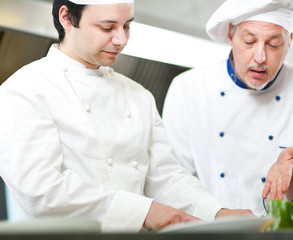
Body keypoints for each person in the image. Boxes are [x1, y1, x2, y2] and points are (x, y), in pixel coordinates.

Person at [0, 0, 255, 232]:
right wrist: (145, 211)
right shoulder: (25, 90)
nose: (121, 39)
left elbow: (165, 177)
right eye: (107, 27)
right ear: (66, 18)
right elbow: (41, 191)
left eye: (127, 26)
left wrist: (217, 213)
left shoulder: (138, 95)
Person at [162, 0, 293, 225]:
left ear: (290, 41)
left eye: (274, 44)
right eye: (249, 41)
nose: (260, 57)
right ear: (231, 34)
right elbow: (172, 182)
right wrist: (219, 214)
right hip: (209, 231)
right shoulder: (188, 90)